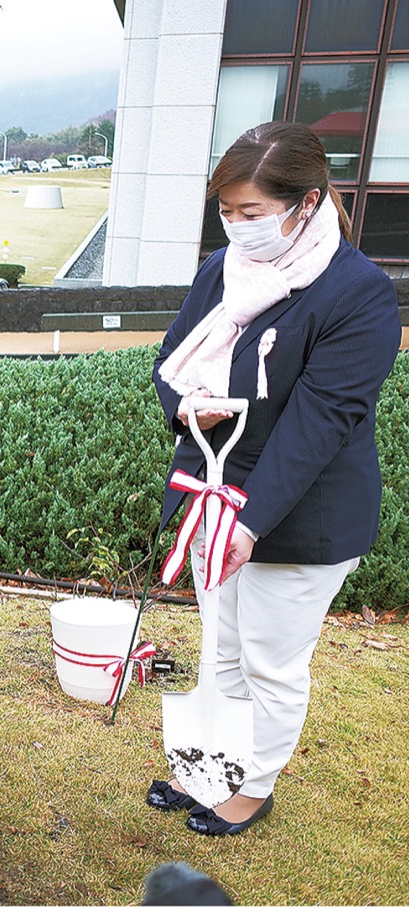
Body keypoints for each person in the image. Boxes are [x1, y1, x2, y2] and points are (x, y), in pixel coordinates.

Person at [149, 121, 399, 835]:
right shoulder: (223, 270)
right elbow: (173, 357)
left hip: (297, 513)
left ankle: (252, 787)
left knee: (270, 660)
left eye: (251, 213)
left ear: (306, 202)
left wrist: (251, 521)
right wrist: (186, 404)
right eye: (227, 212)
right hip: (213, 489)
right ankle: (209, 767)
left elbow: (320, 421)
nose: (236, 227)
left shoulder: (358, 294)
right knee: (219, 644)